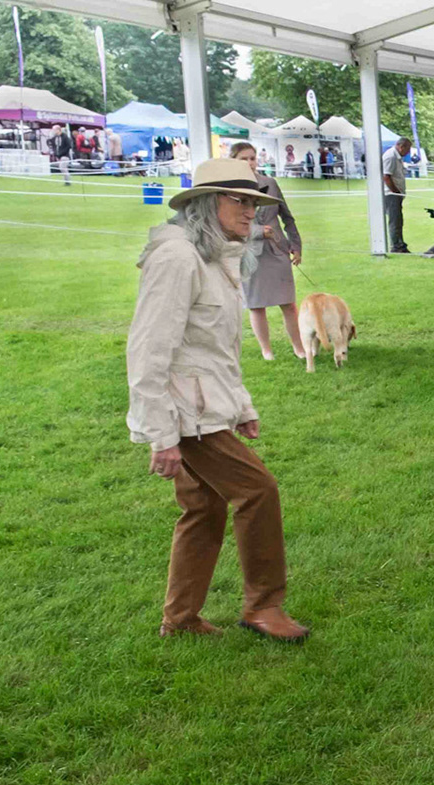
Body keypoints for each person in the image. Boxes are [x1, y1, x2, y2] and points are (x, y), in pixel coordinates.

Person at [126, 158, 309, 643]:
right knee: (258, 490)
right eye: (241, 201)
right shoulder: (177, 258)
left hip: (206, 407)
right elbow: (149, 350)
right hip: (186, 416)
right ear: (208, 204)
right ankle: (264, 607)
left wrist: (242, 406)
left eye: (255, 201)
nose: (252, 212)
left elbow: (216, 348)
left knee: (203, 507)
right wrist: (161, 434)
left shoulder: (215, 257)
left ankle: (180, 618)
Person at [229, 143, 305, 364]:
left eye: (252, 158)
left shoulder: (270, 184)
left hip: (277, 250)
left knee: (289, 304)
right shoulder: (229, 190)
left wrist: (296, 245)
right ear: (234, 161)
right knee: (256, 305)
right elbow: (228, 225)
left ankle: (299, 347)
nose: (250, 163)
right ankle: (266, 350)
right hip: (250, 254)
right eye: (244, 159)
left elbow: (287, 217)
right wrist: (257, 231)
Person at [382, 137, 413, 253]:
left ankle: (400, 243)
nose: (408, 152)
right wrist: (396, 192)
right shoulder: (390, 157)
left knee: (398, 220)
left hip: (395, 194)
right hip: (391, 194)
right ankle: (396, 246)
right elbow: (386, 176)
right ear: (401, 147)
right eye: (408, 149)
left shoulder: (397, 157)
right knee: (395, 220)